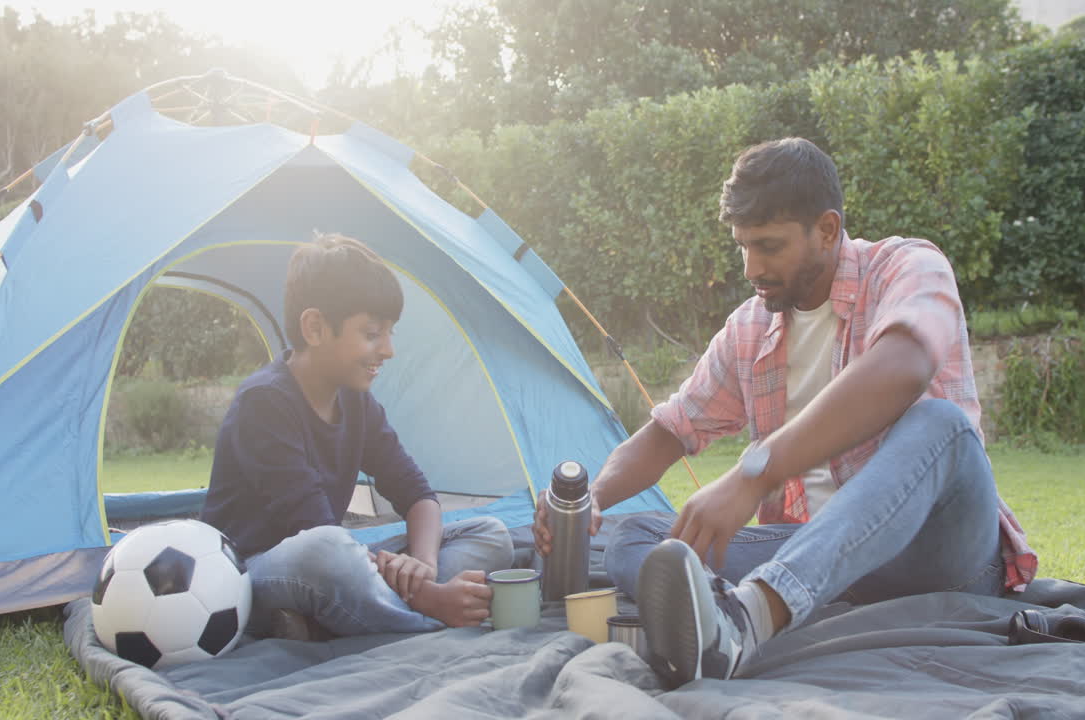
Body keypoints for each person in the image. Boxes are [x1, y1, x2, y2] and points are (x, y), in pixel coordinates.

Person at [533, 138, 1036, 685]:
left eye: (769, 246)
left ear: (826, 228)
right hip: (823, 564)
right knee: (643, 540)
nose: (753, 266)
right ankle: (743, 609)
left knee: (942, 425)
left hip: (940, 556)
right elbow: (670, 431)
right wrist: (586, 502)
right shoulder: (749, 329)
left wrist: (754, 474)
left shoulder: (907, 266)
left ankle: (746, 621)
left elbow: (905, 365)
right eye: (743, 246)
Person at [201, 233, 513, 640]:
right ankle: (428, 620)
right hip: (256, 574)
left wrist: (422, 567)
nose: (388, 350)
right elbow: (316, 531)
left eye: (390, 333)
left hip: (341, 565)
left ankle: (339, 616)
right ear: (314, 327)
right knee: (327, 552)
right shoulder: (264, 403)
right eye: (371, 333)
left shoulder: (356, 401)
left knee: (490, 533)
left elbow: (418, 496)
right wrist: (430, 597)